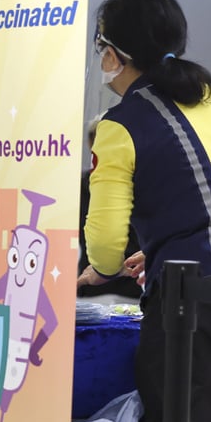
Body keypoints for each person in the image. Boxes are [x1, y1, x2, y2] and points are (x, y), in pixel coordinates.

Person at [77, 0, 211, 422]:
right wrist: (164, 244)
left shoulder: (120, 124)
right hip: (200, 277)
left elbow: (105, 249)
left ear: (117, 51)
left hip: (194, 308)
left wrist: (116, 260)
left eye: (101, 45)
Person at [77, 117, 141, 303]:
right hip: (92, 285)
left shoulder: (141, 182)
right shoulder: (79, 186)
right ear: (91, 143)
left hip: (131, 287)